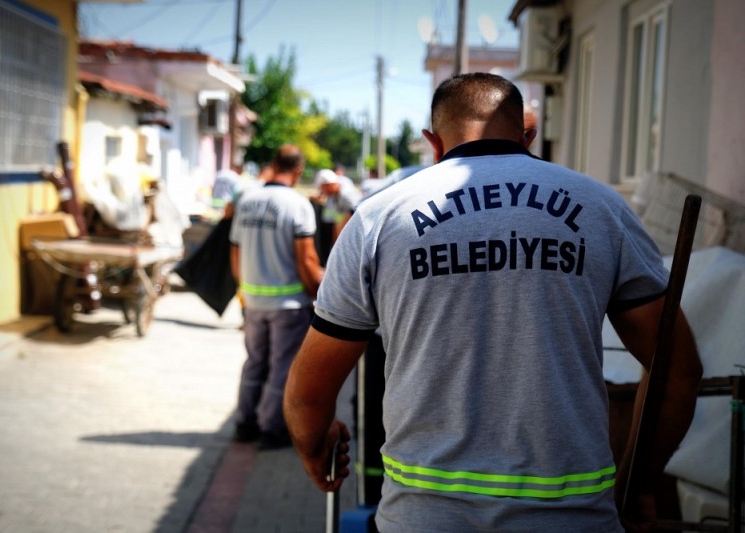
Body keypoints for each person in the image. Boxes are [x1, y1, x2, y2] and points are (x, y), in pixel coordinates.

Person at [283, 73, 702, 531]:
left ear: (433, 143)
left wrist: (313, 447)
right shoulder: (602, 208)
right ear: (527, 137)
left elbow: (309, 393)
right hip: (572, 519)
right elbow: (677, 369)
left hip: (424, 518)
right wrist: (638, 484)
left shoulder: (379, 218)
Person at [229, 144, 324, 449]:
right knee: (282, 366)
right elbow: (307, 260)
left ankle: (244, 423)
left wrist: (245, 290)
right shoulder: (297, 205)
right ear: (298, 170)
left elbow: (235, 253)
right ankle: (272, 429)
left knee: (254, 362)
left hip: (253, 301)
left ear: (273, 164)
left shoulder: (247, 200)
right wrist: (320, 292)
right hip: (288, 304)